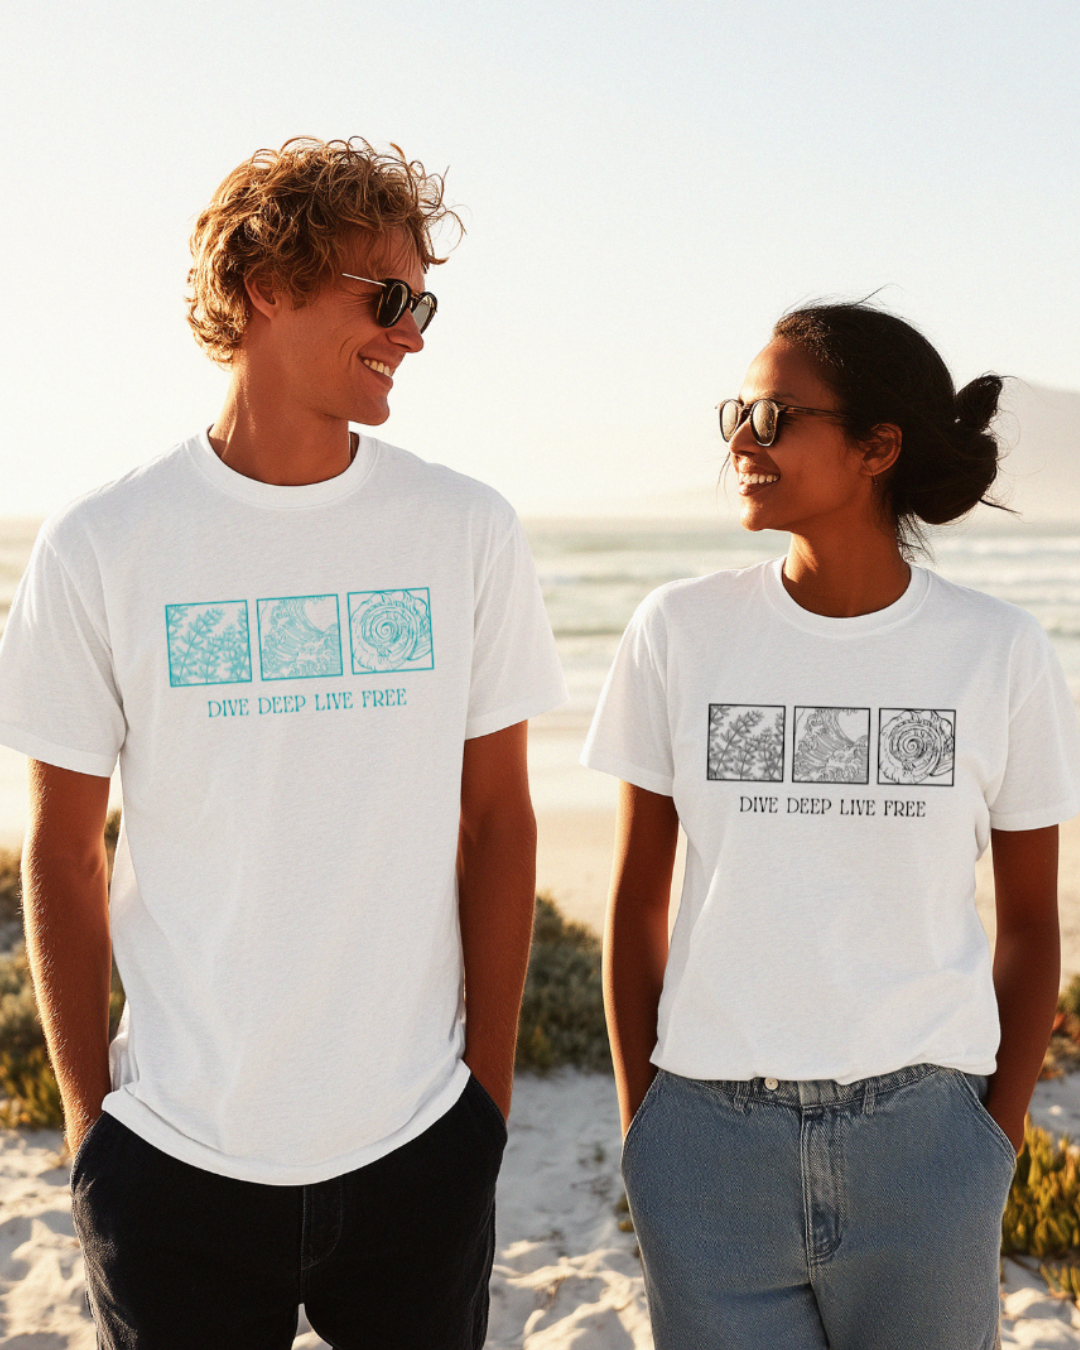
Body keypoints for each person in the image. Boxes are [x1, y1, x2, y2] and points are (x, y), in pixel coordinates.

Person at [0, 137, 566, 1349]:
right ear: (267, 282)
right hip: (171, 1160)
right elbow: (61, 853)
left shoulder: (463, 529)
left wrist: (488, 1106)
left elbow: (499, 820)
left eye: (424, 302)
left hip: (420, 1145)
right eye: (387, 295)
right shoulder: (104, 544)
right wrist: (93, 1128)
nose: (413, 329)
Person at [582, 300, 1080, 1350]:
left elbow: (1032, 925)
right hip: (707, 1147)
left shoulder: (998, 654)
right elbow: (635, 900)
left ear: (877, 447)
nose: (740, 442)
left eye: (773, 415)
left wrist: (991, 1141)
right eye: (740, 412)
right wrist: (647, 1132)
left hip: (927, 1147)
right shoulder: (679, 631)